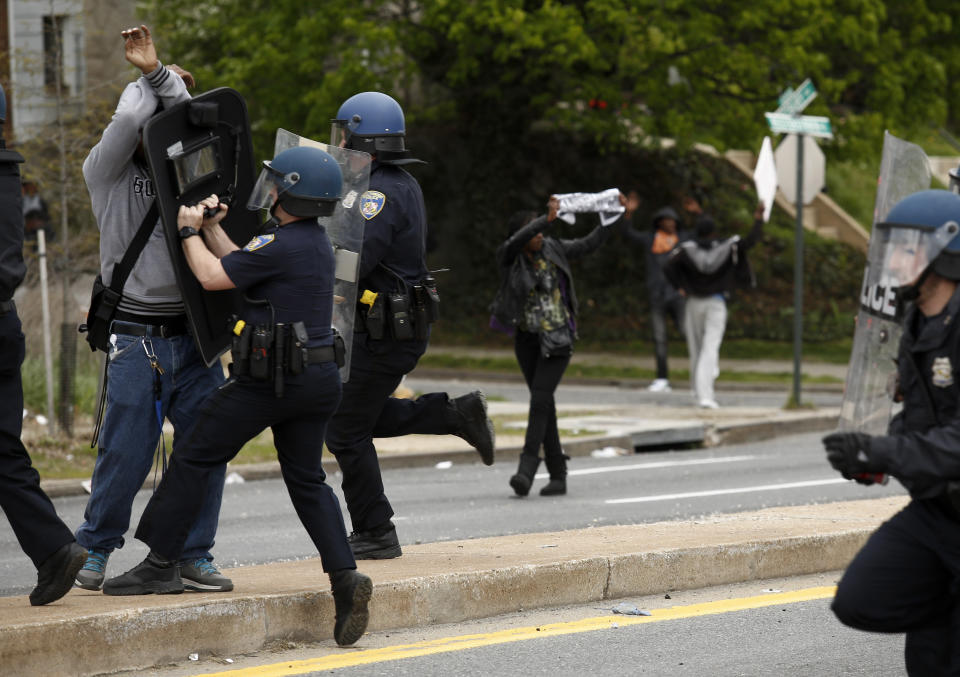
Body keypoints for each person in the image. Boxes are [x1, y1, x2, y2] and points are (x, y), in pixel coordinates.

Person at [102, 146, 372, 646]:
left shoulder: (285, 241)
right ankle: (345, 579)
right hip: (316, 380)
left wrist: (185, 230)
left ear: (294, 193)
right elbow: (242, 260)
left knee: (195, 455)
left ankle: (162, 564)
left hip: (271, 381)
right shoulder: (307, 240)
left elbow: (210, 276)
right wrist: (210, 229)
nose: (269, 191)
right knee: (308, 480)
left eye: (278, 185)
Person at [74, 25, 231, 593]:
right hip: (137, 335)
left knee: (203, 450)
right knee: (125, 450)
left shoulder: (194, 178)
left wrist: (167, 83)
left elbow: (192, 126)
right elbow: (123, 125)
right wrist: (149, 75)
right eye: (157, 110)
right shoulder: (107, 173)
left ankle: (193, 552)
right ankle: (94, 548)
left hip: (194, 336)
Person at [325, 91, 496, 561]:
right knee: (352, 417)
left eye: (345, 133)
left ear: (365, 138)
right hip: (383, 328)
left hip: (386, 331)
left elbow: (355, 259)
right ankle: (454, 414)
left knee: (344, 430)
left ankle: (376, 531)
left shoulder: (379, 191)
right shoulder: (391, 182)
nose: (339, 142)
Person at [823, 189, 960, 676]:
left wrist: (887, 449)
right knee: (863, 599)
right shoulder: (916, 321)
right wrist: (874, 458)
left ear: (946, 253)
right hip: (941, 512)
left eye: (907, 247)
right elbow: (924, 422)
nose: (893, 258)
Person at [0, 82, 87, 606]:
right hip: (5, 324)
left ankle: (55, 549)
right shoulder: (11, 176)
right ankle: (54, 549)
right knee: (4, 450)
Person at [490, 194, 616, 497]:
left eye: (541, 230)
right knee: (544, 403)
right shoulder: (509, 257)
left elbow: (588, 243)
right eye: (533, 232)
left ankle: (527, 469)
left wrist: (612, 217)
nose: (539, 236)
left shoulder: (554, 248)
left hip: (558, 339)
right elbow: (515, 241)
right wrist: (542, 219)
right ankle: (558, 474)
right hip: (527, 340)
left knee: (539, 401)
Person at [664, 202, 763, 409]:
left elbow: (667, 265)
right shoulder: (727, 247)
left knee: (696, 349)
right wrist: (758, 220)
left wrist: (680, 286)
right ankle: (705, 395)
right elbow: (750, 242)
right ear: (714, 231)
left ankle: (696, 390)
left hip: (693, 303)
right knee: (710, 349)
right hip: (716, 303)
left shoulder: (686, 250)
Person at [621, 191, 689, 393]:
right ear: (659, 223)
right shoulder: (651, 239)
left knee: (688, 333)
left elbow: (705, 236)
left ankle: (704, 371)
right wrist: (628, 213)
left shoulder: (683, 240)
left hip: (677, 295)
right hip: (657, 295)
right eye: (668, 221)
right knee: (659, 339)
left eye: (674, 221)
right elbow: (628, 233)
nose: (672, 224)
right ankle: (662, 378)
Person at [21, 180, 53, 249]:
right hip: (25, 226)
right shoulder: (22, 200)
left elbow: (47, 216)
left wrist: (39, 221)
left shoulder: (41, 201)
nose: (30, 188)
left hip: (40, 225)